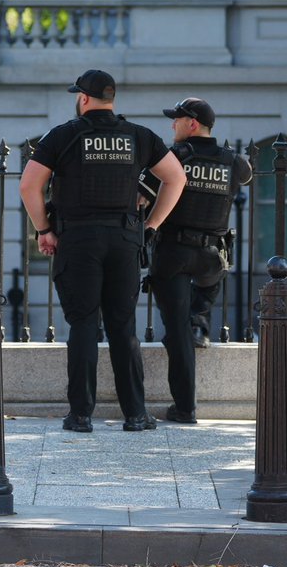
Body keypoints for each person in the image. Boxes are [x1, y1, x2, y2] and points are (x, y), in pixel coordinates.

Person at [19, 70, 186, 434]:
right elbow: (176, 178)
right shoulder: (138, 136)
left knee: (82, 325)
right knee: (123, 327)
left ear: (83, 98)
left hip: (77, 240)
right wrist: (151, 225)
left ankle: (80, 415)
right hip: (124, 240)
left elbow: (29, 185)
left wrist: (44, 229)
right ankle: (136, 414)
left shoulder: (63, 135)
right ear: (111, 99)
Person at [140, 97, 252, 425]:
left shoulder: (174, 157)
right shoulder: (235, 161)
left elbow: (142, 192)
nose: (172, 125)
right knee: (199, 304)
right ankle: (200, 320)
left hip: (174, 251)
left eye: (176, 119)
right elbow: (245, 179)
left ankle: (185, 408)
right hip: (212, 257)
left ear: (191, 123)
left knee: (176, 332)